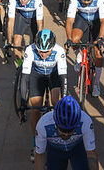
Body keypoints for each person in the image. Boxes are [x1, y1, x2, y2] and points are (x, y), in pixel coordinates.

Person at [33, 96, 102, 170]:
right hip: (55, 152)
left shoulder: (85, 121)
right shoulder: (43, 124)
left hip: (77, 149)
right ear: (55, 121)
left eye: (70, 131)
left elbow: (91, 155)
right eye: (63, 130)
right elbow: (40, 155)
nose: (66, 134)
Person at [20, 29, 68, 161]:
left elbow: (63, 78)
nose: (43, 54)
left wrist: (63, 101)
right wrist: (23, 102)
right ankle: (36, 143)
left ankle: (58, 135)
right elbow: (25, 78)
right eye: (40, 51)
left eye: (47, 51)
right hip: (37, 75)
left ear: (52, 48)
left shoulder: (59, 51)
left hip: (53, 75)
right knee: (35, 109)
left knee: (56, 104)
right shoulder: (30, 50)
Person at [65, 0, 104, 98]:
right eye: (83, 1)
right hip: (83, 19)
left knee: (98, 53)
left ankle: (96, 84)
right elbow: (69, 21)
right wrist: (69, 39)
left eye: (88, 1)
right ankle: (78, 56)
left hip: (96, 21)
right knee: (74, 39)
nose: (85, 3)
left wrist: (100, 39)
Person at [7, 0, 45, 64]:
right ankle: (20, 65)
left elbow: (40, 24)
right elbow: (10, 22)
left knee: (37, 44)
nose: (22, 0)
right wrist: (9, 41)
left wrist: (39, 40)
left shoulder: (37, 0)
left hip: (34, 19)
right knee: (16, 43)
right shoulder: (13, 0)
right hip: (22, 17)